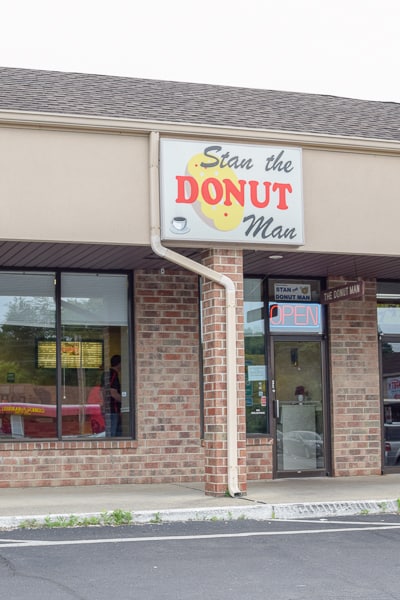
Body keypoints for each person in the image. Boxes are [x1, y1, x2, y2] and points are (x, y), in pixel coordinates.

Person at [102, 354, 122, 437]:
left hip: (109, 409)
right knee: (112, 436)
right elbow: (112, 392)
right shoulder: (113, 374)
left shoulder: (107, 374)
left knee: (114, 434)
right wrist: (125, 402)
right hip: (113, 410)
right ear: (119, 364)